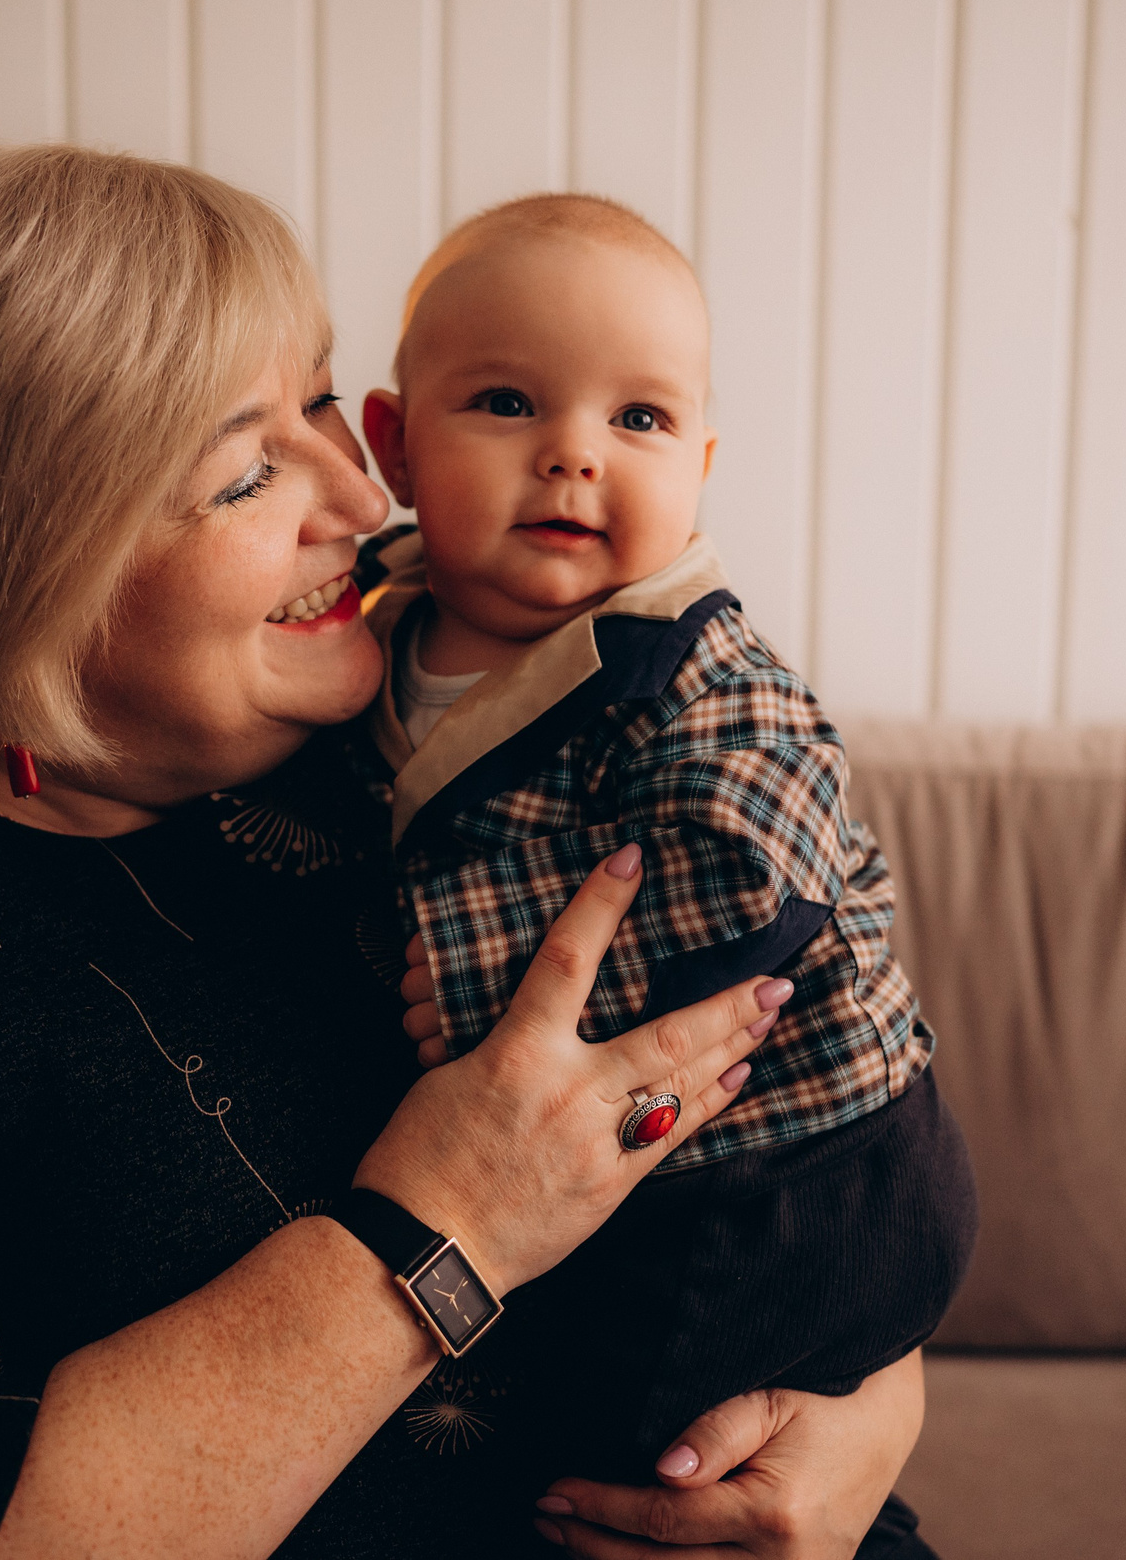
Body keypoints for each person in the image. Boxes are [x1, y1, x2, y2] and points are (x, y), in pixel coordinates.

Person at [0, 144, 930, 1558]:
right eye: (245, 473)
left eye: (327, 404)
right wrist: (444, 1224)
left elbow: (812, 1098)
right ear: (26, 561)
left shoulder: (408, 738)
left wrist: (857, 1419)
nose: (359, 497)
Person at [351, 194, 974, 1491]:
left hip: (802, 1171)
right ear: (396, 447)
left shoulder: (686, 663)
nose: (575, 454)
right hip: (641, 1170)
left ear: (698, 465)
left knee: (620, 1459)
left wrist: (482, 991)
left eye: (637, 419)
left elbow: (761, 876)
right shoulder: (374, 633)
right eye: (508, 403)